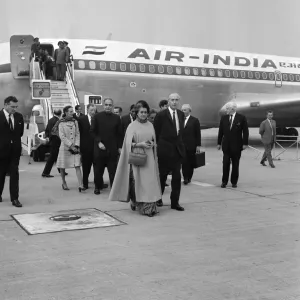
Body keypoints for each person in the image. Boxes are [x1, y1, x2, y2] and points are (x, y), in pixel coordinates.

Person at [109, 100, 161, 217]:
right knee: (138, 184)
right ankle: (139, 205)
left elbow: (153, 139)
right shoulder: (132, 126)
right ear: (136, 113)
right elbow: (127, 144)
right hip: (137, 158)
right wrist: (139, 144)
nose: (144, 114)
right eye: (141, 112)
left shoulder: (151, 125)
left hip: (149, 158)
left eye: (145, 112)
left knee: (149, 183)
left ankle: (149, 207)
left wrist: (152, 144)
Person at [154, 93, 186, 211]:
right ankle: (158, 198)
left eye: (177, 100)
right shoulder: (161, 115)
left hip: (177, 151)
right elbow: (156, 133)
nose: (174, 102)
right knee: (162, 177)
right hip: (164, 151)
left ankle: (175, 202)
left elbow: (180, 133)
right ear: (168, 101)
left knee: (176, 178)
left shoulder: (181, 114)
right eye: (172, 100)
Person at [90, 98, 122, 195]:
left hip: (112, 148)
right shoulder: (97, 117)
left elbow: (119, 134)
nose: (108, 106)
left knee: (113, 170)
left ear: (112, 106)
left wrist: (119, 147)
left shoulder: (116, 118)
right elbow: (92, 131)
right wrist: (99, 142)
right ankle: (97, 187)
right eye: (106, 105)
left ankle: (114, 188)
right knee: (98, 170)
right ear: (103, 106)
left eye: (110, 105)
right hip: (100, 148)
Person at [52, 106, 85, 191]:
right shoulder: (61, 123)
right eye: (70, 111)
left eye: (72, 111)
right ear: (66, 112)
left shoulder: (75, 122)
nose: (72, 113)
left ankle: (81, 185)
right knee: (62, 166)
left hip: (75, 147)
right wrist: (71, 146)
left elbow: (78, 133)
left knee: (77, 165)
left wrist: (76, 145)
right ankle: (64, 182)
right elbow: (62, 136)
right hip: (65, 147)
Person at [217, 102, 249, 188]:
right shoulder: (224, 118)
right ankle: (224, 181)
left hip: (237, 145)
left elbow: (245, 132)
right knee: (225, 164)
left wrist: (245, 143)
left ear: (232, 109)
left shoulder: (241, 118)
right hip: (226, 145)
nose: (226, 110)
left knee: (235, 164)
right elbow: (221, 131)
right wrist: (219, 143)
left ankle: (234, 182)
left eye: (227, 108)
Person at [0, 96, 24, 207]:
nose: (14, 109)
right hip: (1, 151)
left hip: (15, 151)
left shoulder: (19, 117)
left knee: (14, 174)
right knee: (1, 174)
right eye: (12, 107)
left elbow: (20, 133)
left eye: (16, 107)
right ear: (5, 105)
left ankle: (15, 198)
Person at [77, 104, 100, 189]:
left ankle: (98, 182)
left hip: (96, 146)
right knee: (86, 166)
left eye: (94, 110)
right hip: (86, 147)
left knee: (97, 166)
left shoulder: (98, 119)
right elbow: (78, 133)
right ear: (87, 110)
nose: (93, 112)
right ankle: (85, 183)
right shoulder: (81, 119)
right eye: (91, 110)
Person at [42, 109, 67, 178]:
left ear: (54, 113)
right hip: (57, 141)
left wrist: (47, 137)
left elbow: (47, 130)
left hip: (52, 141)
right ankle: (45, 172)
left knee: (57, 156)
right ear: (61, 113)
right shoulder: (58, 121)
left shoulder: (50, 120)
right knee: (52, 157)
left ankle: (61, 171)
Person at [181, 104, 201, 184]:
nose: (183, 112)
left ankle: (189, 177)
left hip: (191, 145)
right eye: (182, 110)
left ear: (189, 111)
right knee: (184, 162)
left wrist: (198, 145)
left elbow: (198, 133)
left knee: (190, 162)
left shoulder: (195, 120)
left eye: (185, 110)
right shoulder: (179, 119)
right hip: (182, 145)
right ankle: (185, 177)